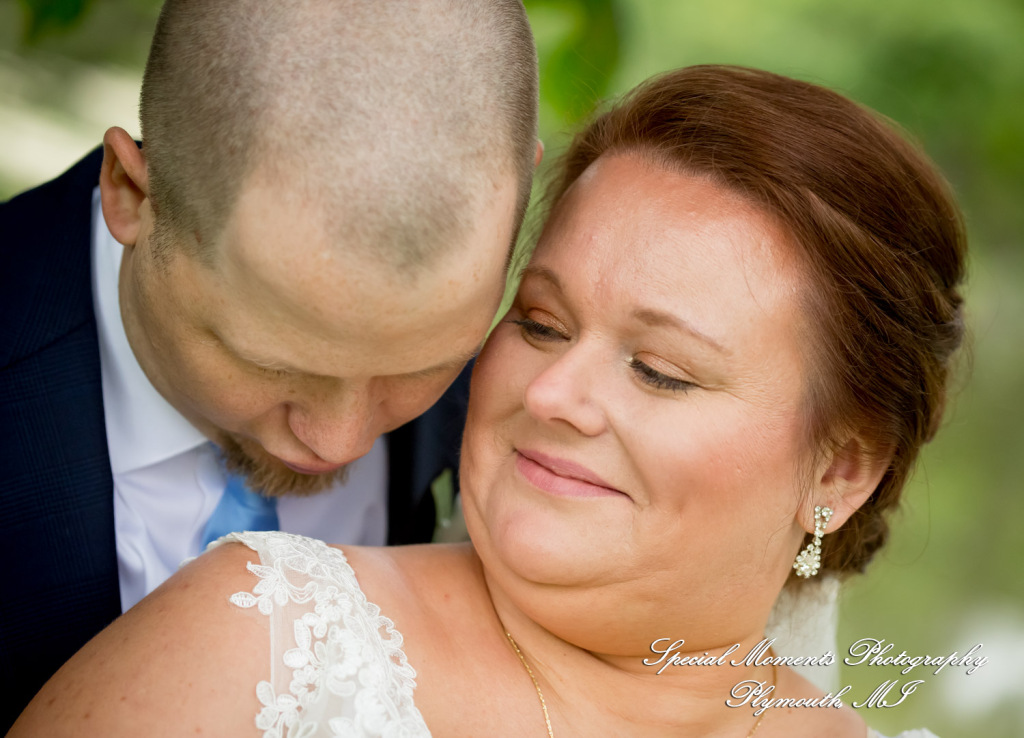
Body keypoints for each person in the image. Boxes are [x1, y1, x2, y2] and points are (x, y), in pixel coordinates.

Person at [10, 65, 963, 737]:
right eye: (541, 324)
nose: (550, 393)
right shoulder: (257, 640)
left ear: (839, 467)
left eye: (661, 371)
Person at [0, 0, 539, 729]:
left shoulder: (539, 399)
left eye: (422, 366)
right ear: (129, 195)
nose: (340, 442)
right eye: (272, 364)